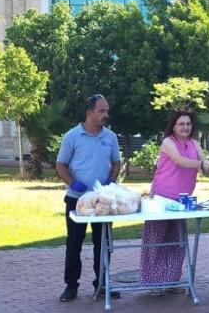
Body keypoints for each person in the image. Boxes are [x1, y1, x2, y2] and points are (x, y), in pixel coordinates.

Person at [56, 94, 122, 302]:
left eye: (107, 111)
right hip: (77, 199)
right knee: (74, 243)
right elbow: (61, 165)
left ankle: (101, 284)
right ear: (89, 113)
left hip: (103, 201)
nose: (106, 115)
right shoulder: (72, 136)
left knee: (103, 243)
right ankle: (71, 286)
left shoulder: (110, 137)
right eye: (101, 111)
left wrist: (112, 179)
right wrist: (71, 182)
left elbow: (116, 163)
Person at [139, 110, 209, 295]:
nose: (185, 127)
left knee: (177, 241)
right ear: (174, 126)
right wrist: (202, 164)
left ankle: (171, 281)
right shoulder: (168, 142)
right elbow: (180, 161)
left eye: (188, 124)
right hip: (162, 198)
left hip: (183, 200)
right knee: (155, 240)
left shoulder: (195, 144)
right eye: (181, 124)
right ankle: (153, 284)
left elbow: (206, 167)